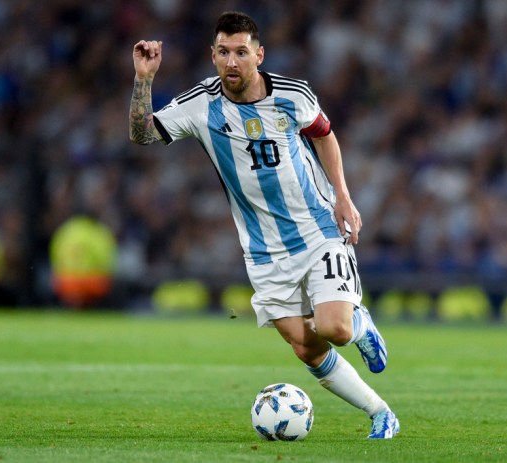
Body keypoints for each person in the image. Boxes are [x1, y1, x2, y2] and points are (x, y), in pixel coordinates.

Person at [129, 11, 399, 439]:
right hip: (263, 250)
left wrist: (343, 197)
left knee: (335, 329)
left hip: (317, 229)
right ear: (212, 56)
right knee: (304, 346)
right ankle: (381, 412)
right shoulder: (201, 104)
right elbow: (143, 134)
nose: (231, 62)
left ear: (259, 54)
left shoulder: (293, 95)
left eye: (240, 52)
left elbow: (324, 136)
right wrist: (144, 78)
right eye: (223, 53)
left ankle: (361, 323)